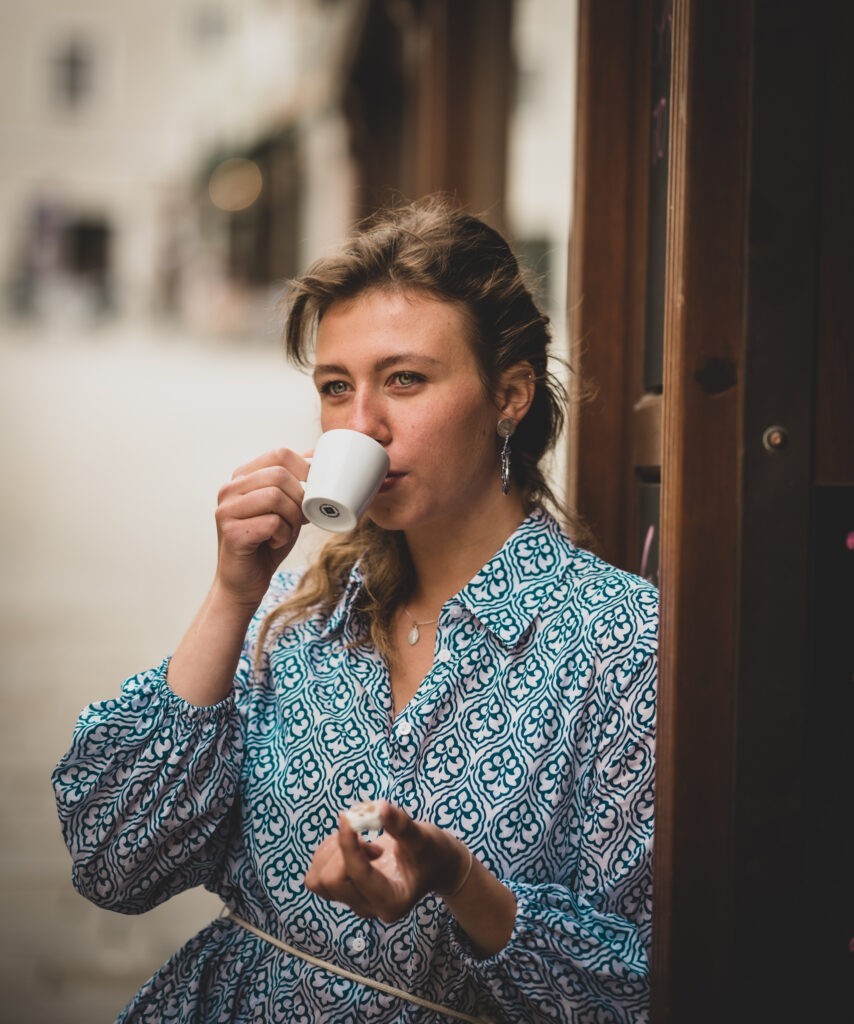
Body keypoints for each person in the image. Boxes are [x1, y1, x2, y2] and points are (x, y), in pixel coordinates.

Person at [53, 196, 658, 1024]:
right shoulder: (304, 621)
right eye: (337, 387)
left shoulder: (620, 640)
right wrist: (235, 590)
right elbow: (113, 857)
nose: (362, 424)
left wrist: (456, 881)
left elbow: (642, 986)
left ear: (508, 396)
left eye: (405, 379)